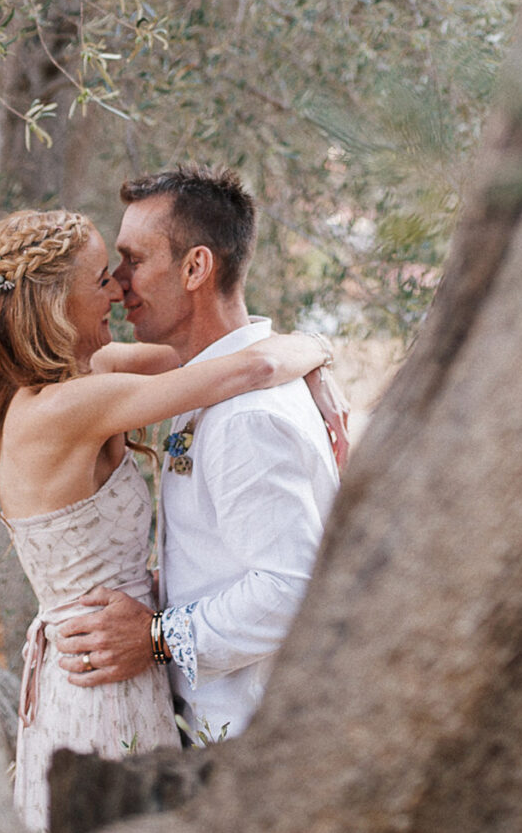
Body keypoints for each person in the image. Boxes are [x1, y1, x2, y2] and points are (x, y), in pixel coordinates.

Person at [0, 205, 333, 830]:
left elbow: (204, 359)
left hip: (127, 658)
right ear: (55, 304)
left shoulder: (90, 375)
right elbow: (254, 368)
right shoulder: (65, 408)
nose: (116, 290)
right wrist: (321, 349)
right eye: (102, 277)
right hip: (104, 675)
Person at [53, 166, 345, 741]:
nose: (117, 281)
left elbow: (291, 588)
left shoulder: (247, 416)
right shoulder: (209, 386)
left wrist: (155, 636)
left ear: (196, 267)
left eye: (134, 259)